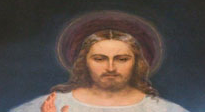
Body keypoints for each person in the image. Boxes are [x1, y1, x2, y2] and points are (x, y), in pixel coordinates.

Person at [11, 29, 187, 112]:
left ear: (137, 63)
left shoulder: (165, 110)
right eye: (99, 59)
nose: (110, 68)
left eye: (122, 59)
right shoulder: (45, 107)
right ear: (83, 62)